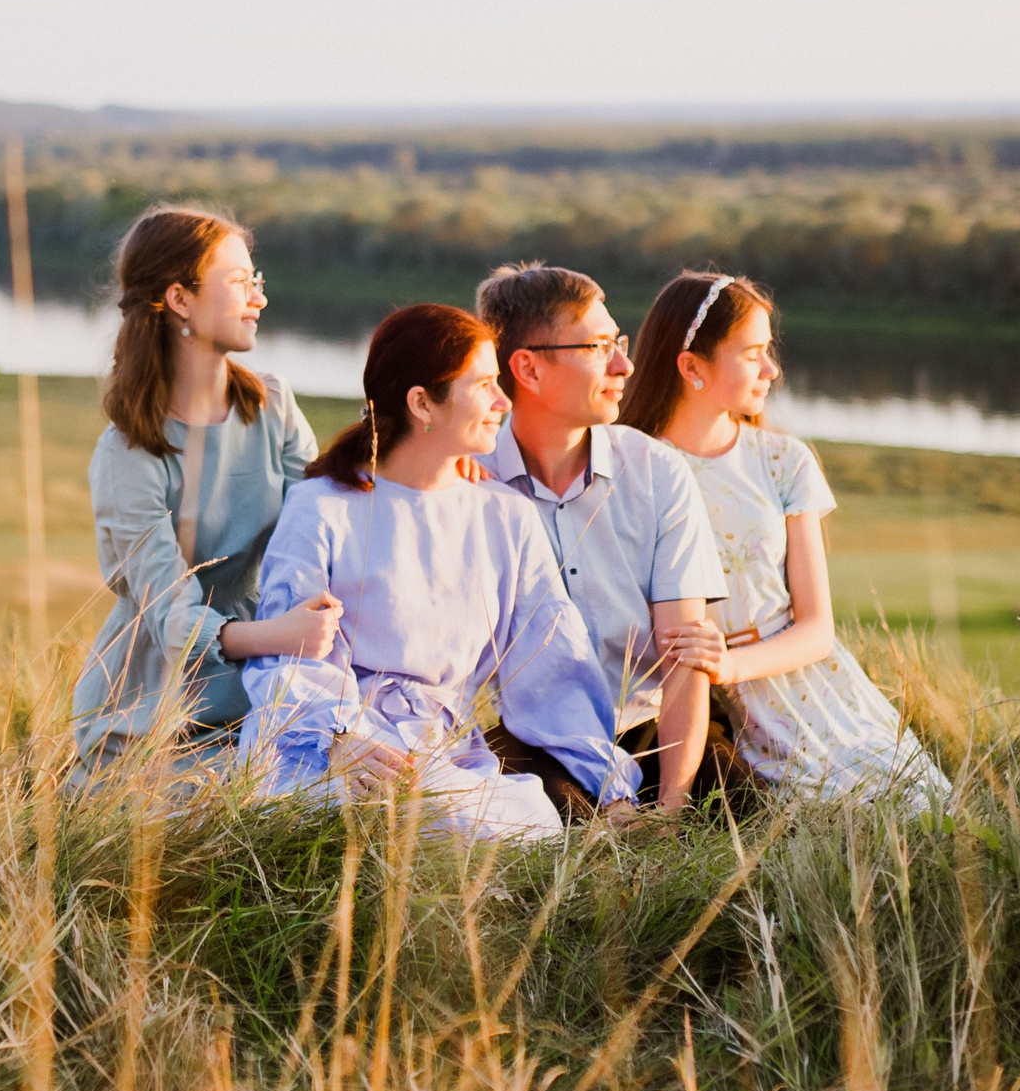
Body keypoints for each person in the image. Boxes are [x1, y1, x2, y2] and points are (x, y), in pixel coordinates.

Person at [238, 304, 637, 841]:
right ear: (422, 402)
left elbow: (553, 669)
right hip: (323, 746)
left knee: (528, 828)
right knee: (355, 819)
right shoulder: (322, 506)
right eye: (484, 386)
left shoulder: (504, 515)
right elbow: (287, 657)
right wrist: (340, 738)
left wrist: (612, 789)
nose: (503, 402)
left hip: (438, 754)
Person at [619, 273, 952, 806]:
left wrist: (729, 665)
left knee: (917, 807)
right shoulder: (633, 466)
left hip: (814, 685)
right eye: (752, 353)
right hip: (697, 702)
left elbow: (817, 629)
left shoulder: (781, 461)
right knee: (819, 819)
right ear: (691, 367)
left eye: (768, 350)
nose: (772, 369)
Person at [72, 205, 344, 787]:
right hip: (148, 722)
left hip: (264, 701)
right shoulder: (128, 455)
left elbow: (324, 520)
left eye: (257, 280)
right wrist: (279, 637)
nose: (259, 298)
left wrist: (435, 468)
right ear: (180, 299)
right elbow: (170, 618)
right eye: (241, 282)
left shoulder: (273, 406)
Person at [472, 263, 731, 816]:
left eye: (619, 341)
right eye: (598, 347)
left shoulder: (657, 472)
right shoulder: (470, 483)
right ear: (529, 369)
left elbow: (685, 656)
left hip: (654, 727)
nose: (625, 364)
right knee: (542, 822)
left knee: (737, 812)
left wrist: (669, 811)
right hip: (535, 738)